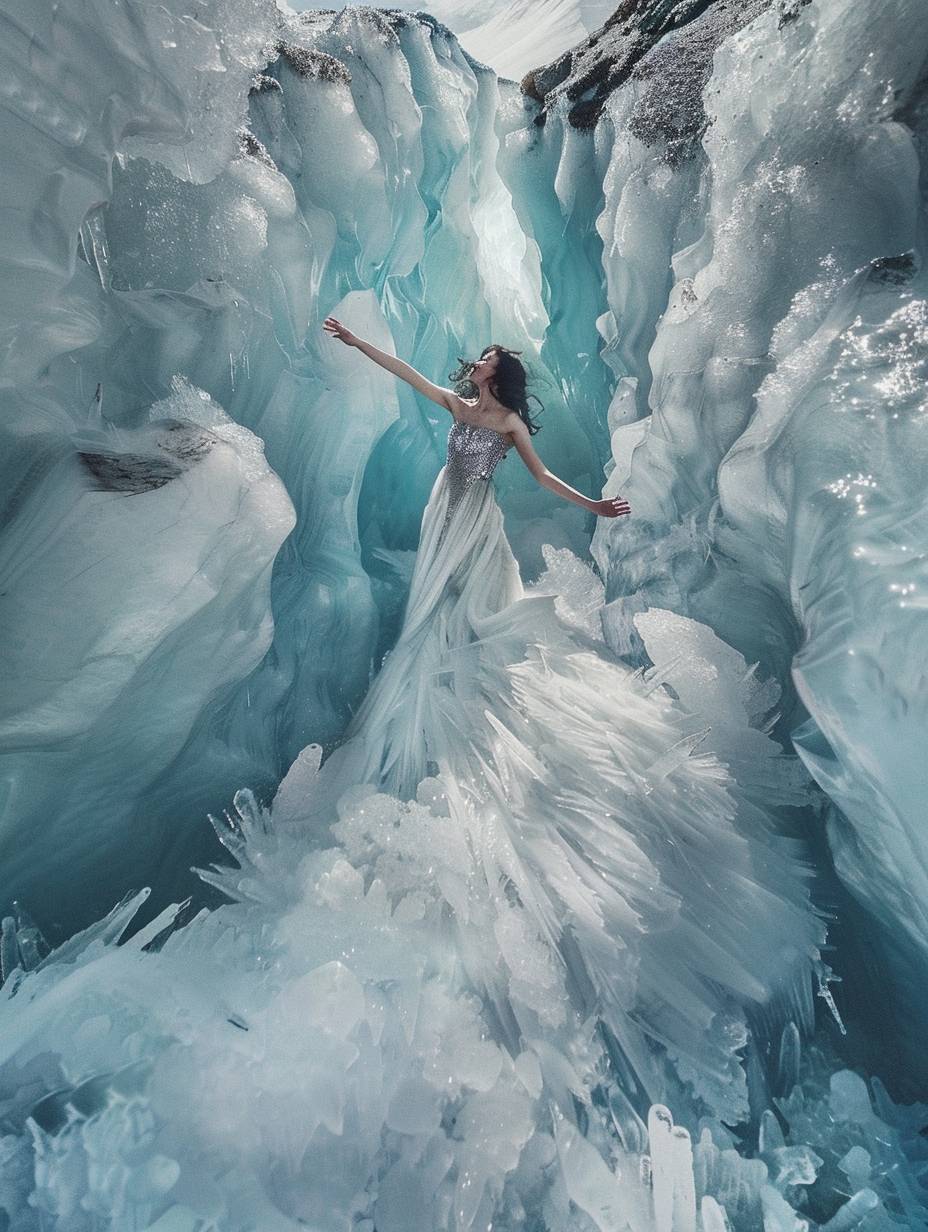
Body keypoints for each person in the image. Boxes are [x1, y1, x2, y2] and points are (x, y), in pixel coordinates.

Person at [321, 315, 629, 794]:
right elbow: (405, 372)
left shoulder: (508, 423)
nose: (480, 361)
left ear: (497, 374)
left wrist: (595, 505)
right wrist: (356, 340)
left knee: (468, 598)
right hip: (443, 504)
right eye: (484, 357)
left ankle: (464, 690)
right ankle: (432, 678)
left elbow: (542, 476)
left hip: (475, 514)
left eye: (489, 358)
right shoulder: (459, 406)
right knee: (437, 596)